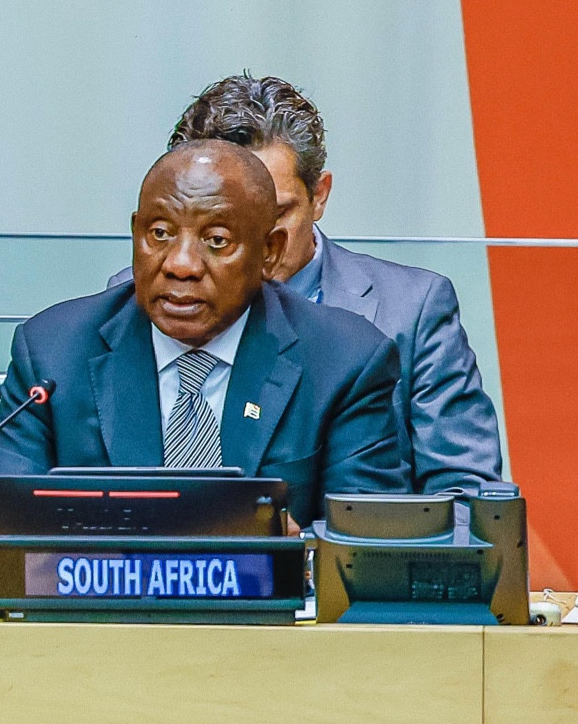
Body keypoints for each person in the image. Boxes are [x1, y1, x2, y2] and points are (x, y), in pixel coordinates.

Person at [107, 74, 501, 493]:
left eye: (273, 215)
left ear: (320, 195)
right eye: (218, 229)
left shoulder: (409, 311)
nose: (252, 246)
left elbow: (467, 500)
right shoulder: (134, 302)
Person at [0, 141, 407, 524]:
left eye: (216, 240)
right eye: (160, 234)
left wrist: (288, 556)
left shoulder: (344, 360)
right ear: (135, 232)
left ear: (269, 252)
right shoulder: (54, 351)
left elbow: (364, 542)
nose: (180, 264)